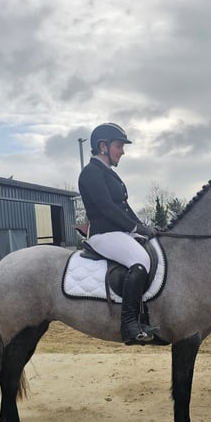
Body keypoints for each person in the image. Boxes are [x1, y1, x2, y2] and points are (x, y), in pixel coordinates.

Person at [78, 122, 159, 345]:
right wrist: (134, 228)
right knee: (140, 260)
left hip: (118, 232)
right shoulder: (91, 173)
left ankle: (145, 316)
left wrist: (144, 227)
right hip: (103, 234)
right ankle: (129, 324)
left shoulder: (109, 174)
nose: (122, 151)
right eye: (119, 146)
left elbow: (123, 206)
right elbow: (106, 207)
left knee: (152, 251)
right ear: (103, 146)